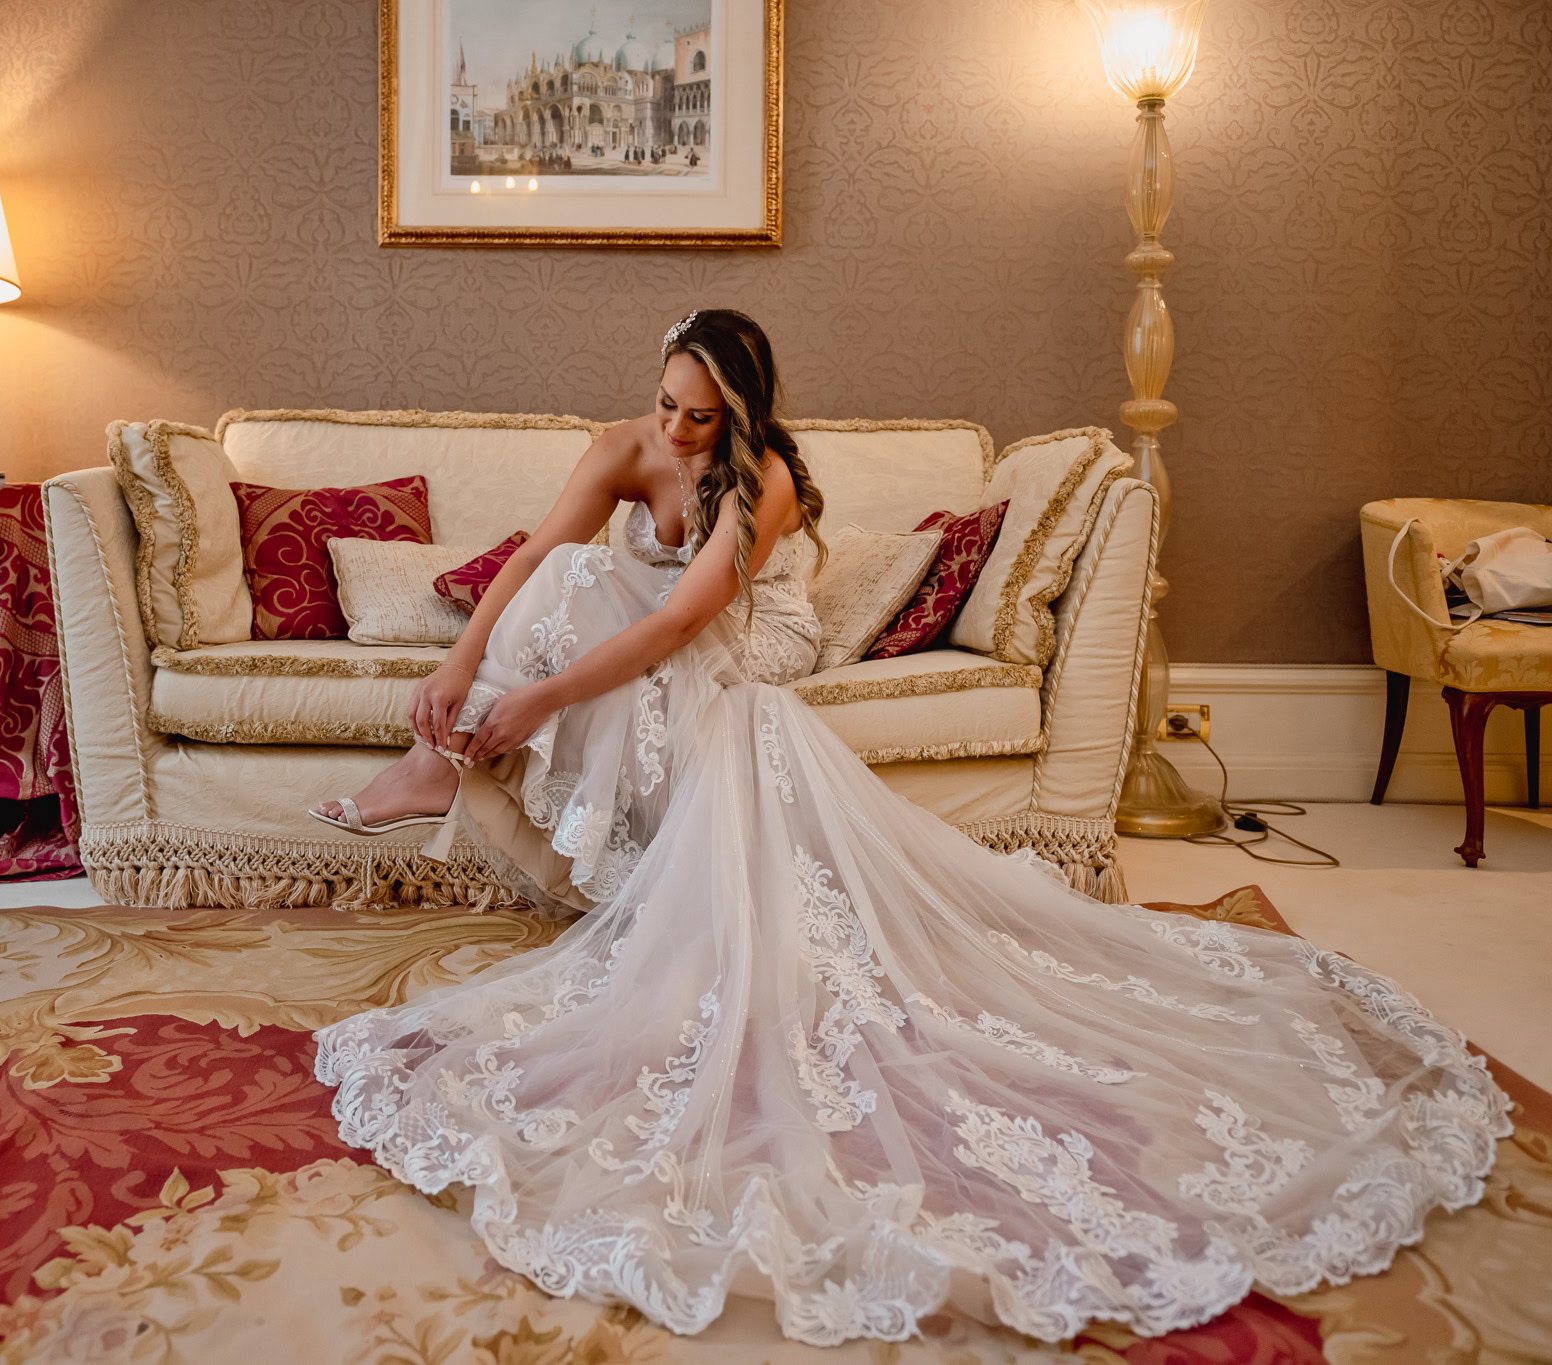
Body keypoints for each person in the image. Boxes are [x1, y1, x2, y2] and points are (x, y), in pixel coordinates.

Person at [308, 309, 1511, 1348]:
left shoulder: (763, 477)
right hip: (644, 632)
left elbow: (681, 626)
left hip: (742, 649)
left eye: (699, 419)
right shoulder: (622, 445)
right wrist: (463, 663)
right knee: (564, 579)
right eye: (666, 406)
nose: (674, 434)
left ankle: (480, 780)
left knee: (610, 635)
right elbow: (537, 553)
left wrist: (528, 702)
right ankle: (434, 763)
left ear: (739, 414)